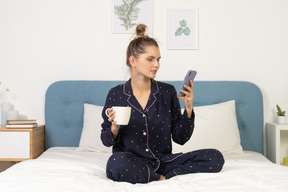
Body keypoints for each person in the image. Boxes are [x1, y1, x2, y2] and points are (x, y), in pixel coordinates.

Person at [101, 24, 224, 184]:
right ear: (133, 61)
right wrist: (114, 128)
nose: (157, 65)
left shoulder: (167, 92)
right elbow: (106, 140)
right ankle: (160, 178)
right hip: (131, 162)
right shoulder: (116, 94)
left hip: (164, 162)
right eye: (150, 59)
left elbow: (180, 138)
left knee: (215, 157)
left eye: (158, 60)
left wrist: (188, 107)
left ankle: (158, 175)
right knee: (115, 163)